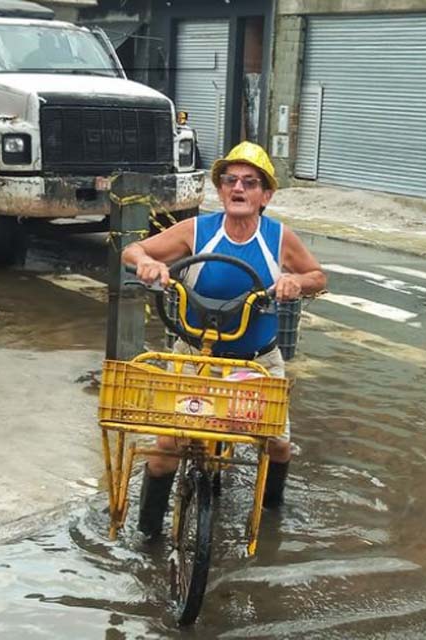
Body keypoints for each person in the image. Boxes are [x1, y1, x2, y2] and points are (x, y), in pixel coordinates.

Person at [121, 141, 326, 538]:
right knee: (166, 450)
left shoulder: (279, 237)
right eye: (230, 180)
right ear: (219, 190)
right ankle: (147, 533)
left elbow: (318, 278)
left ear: (265, 195)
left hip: (257, 361)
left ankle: (270, 519)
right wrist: (146, 262)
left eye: (250, 183)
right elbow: (134, 249)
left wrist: (294, 281)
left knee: (277, 446)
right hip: (194, 355)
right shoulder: (198, 230)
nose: (239, 189)